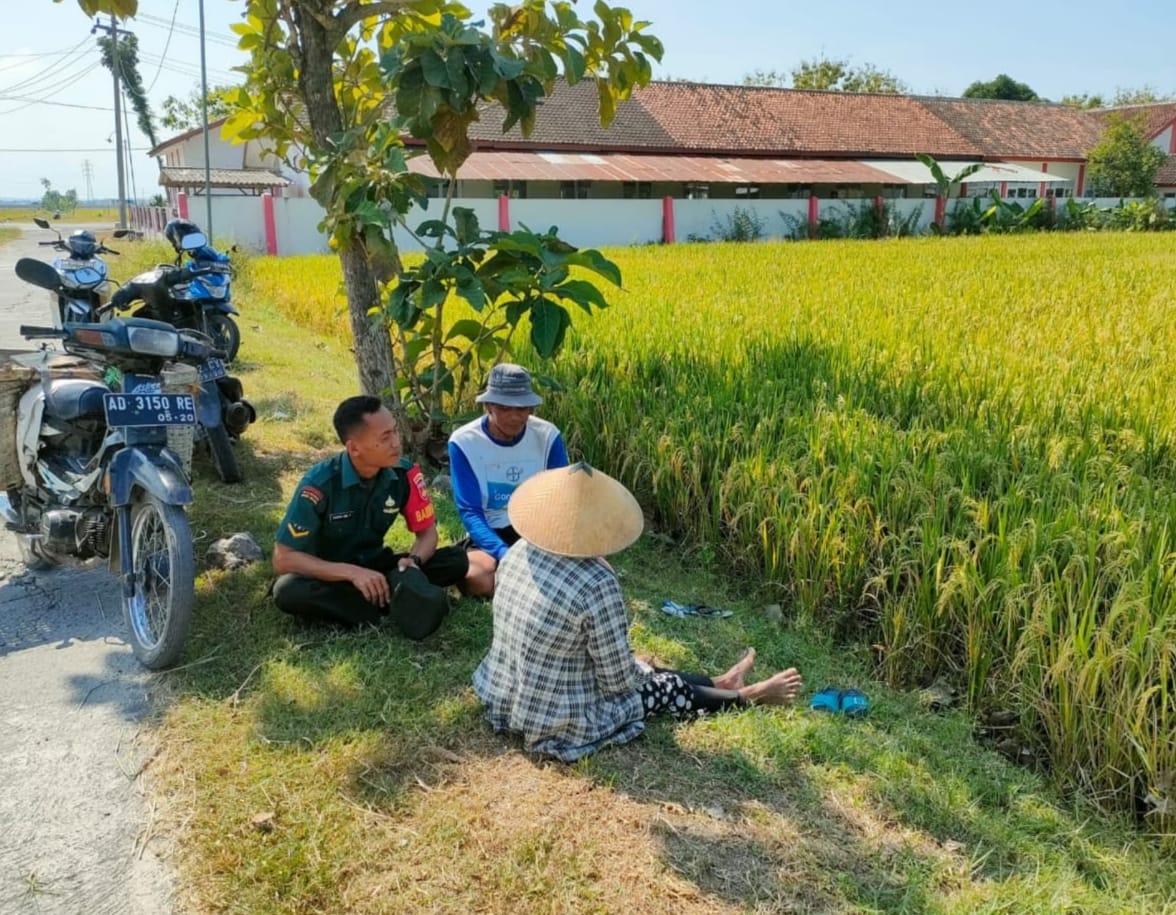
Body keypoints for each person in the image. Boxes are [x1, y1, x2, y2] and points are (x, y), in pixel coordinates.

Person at [473, 462, 804, 762]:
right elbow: (618, 683)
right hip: (557, 720)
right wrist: (639, 668)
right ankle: (747, 696)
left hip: (504, 696)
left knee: (645, 667)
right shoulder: (596, 583)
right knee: (664, 686)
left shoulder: (518, 551)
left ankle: (721, 683)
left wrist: (637, 665)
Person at [271, 395, 472, 639]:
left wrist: (413, 561)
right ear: (354, 448)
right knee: (287, 590)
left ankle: (379, 600)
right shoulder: (319, 484)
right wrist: (352, 573)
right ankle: (391, 604)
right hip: (331, 575)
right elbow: (283, 558)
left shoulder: (404, 474)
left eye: (395, 431)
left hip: (378, 566)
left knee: (456, 559)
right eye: (385, 437)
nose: (396, 443)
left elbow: (427, 534)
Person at [448, 363, 569, 596]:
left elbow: (560, 498)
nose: (515, 417)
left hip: (537, 529)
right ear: (488, 406)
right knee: (478, 579)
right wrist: (506, 554)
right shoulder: (464, 442)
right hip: (491, 528)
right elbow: (471, 512)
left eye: (522, 408)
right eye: (504, 408)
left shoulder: (548, 435)